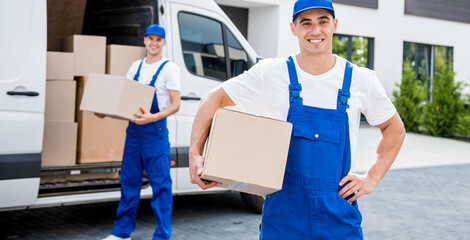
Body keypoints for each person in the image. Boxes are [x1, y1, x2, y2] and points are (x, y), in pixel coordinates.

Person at [188, 0, 405, 239]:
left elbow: (394, 129)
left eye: (323, 21)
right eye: (306, 23)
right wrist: (195, 154)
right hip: (283, 217)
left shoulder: (359, 80)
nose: (315, 31)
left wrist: (371, 178)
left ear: (335, 25)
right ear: (293, 28)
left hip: (338, 217)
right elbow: (211, 100)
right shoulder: (270, 73)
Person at [101, 24, 181, 240]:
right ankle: (122, 231)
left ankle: (162, 235)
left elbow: (176, 104)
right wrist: (105, 111)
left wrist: (153, 117)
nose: (154, 43)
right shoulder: (135, 67)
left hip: (155, 131)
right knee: (129, 181)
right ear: (145, 40)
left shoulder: (169, 68)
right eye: (150, 38)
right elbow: (123, 98)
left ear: (164, 42)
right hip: (134, 131)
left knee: (161, 185)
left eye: (158, 39)